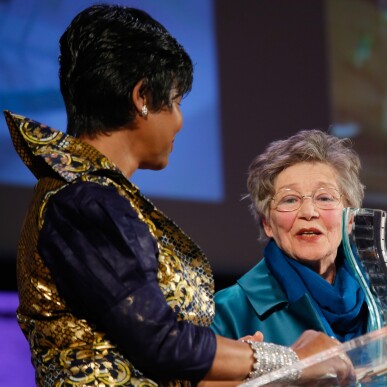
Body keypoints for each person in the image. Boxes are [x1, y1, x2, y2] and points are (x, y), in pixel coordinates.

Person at [4, 5, 348, 386]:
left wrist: (238, 365)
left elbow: (146, 354)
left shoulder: (83, 194)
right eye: (177, 100)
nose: (181, 121)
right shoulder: (85, 202)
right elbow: (162, 341)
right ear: (143, 97)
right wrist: (292, 359)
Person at [211, 129, 373, 345]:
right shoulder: (229, 310)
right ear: (267, 223)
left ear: (350, 219)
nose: (308, 212)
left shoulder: (380, 301)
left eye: (325, 198)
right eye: (289, 200)